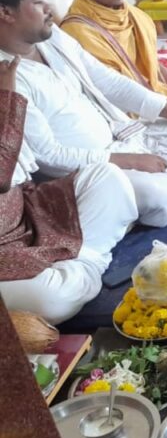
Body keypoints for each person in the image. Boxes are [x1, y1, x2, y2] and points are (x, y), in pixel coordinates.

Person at [0, 0, 167, 227]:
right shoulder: (7, 78)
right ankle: (126, 205)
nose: (49, 9)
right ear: (6, 12)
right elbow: (48, 156)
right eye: (38, 2)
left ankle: (133, 206)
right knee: (159, 195)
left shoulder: (52, 38)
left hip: (121, 133)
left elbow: (109, 81)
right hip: (90, 171)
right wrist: (128, 160)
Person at [0, 56, 136, 323]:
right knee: (50, 300)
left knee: (106, 178)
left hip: (29, 216)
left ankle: (84, 260)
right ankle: (88, 259)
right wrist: (7, 98)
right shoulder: (5, 89)